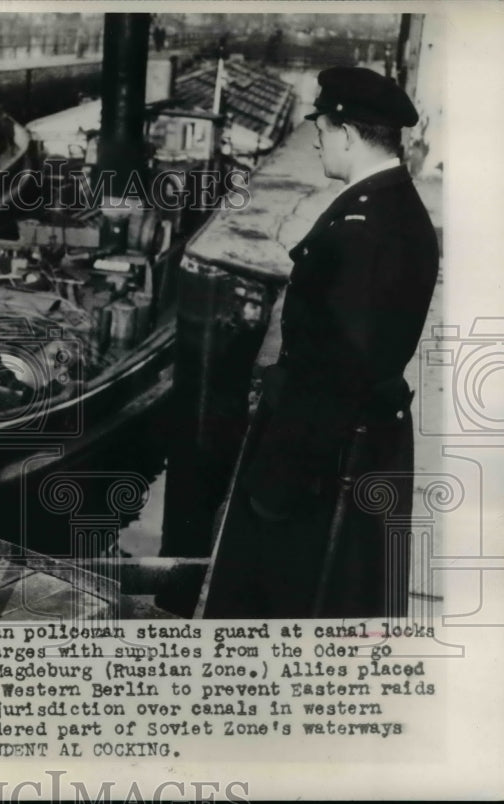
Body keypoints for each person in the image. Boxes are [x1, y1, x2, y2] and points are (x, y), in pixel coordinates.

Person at [203, 67, 439, 619]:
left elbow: (340, 369)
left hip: (320, 466)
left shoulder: (361, 230)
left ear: (348, 134)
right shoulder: (400, 211)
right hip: (354, 451)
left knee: (278, 609)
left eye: (323, 128)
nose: (314, 139)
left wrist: (276, 485)